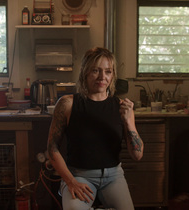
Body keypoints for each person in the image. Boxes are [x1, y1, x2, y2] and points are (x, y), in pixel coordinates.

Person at [47, 47, 144, 210]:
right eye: (95, 71)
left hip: (113, 177)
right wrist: (71, 181)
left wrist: (128, 122)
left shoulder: (121, 107)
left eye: (108, 71)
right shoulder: (67, 104)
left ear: (112, 75)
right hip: (78, 175)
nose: (102, 77)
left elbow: (137, 155)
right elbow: (52, 147)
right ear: (85, 72)